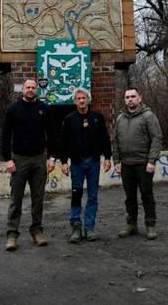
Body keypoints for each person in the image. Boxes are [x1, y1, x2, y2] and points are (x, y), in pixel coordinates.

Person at [0, 78, 57, 251]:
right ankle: (12, 234)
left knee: (38, 199)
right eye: (28, 87)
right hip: (19, 159)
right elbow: (5, 135)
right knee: (16, 199)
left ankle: (37, 231)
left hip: (39, 159)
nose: (31, 90)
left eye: (33, 87)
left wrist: (52, 158)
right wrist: (8, 159)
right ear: (23, 89)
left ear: (36, 90)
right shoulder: (13, 109)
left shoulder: (44, 109)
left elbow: (52, 134)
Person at [57, 88, 112, 243]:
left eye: (84, 98)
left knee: (93, 196)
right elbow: (63, 142)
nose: (81, 101)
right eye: (79, 98)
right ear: (75, 101)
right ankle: (76, 227)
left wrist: (107, 157)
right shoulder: (69, 119)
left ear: (88, 99)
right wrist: (63, 162)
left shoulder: (97, 118)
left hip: (93, 162)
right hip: (76, 163)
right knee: (76, 195)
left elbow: (105, 138)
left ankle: (89, 228)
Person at [113, 87, 163, 240]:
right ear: (124, 100)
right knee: (130, 197)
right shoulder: (120, 118)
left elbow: (156, 138)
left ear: (139, 98)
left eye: (133, 96)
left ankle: (150, 225)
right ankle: (131, 224)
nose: (130, 99)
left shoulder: (148, 116)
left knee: (146, 195)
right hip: (126, 164)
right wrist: (117, 161)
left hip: (143, 164)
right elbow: (116, 141)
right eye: (127, 97)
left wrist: (152, 160)